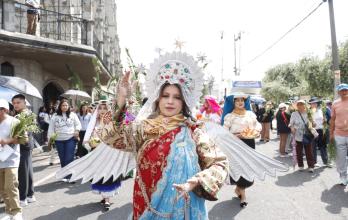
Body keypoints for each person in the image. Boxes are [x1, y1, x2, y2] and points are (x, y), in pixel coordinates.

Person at [98, 53, 229, 219]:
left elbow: (220, 163)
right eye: (165, 96)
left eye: (177, 97)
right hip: (146, 206)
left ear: (184, 102)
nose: (170, 101)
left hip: (184, 207)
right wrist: (121, 98)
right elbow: (111, 137)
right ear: (157, 99)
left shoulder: (193, 131)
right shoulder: (143, 129)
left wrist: (197, 181)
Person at [56, 100, 135, 211]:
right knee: (100, 175)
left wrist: (130, 106)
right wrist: (90, 143)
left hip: (110, 154)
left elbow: (130, 119)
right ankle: (105, 196)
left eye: (105, 108)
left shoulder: (113, 121)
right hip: (96, 152)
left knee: (109, 175)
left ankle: (107, 199)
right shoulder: (94, 122)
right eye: (100, 108)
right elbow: (87, 138)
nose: (102, 111)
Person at [221, 93, 261, 207]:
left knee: (247, 168)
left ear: (245, 102)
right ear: (233, 103)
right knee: (240, 168)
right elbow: (224, 132)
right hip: (236, 145)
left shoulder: (250, 114)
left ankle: (238, 189)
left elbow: (257, 125)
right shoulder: (229, 116)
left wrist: (257, 131)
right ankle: (243, 196)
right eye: (237, 100)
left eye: (242, 100)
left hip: (249, 143)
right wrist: (235, 136)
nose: (240, 102)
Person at [0, 99, 23, 220]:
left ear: (4, 110)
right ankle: (9, 212)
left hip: (11, 158)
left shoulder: (15, 122)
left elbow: (22, 139)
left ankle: (17, 212)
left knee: (10, 186)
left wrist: (7, 141)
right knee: (2, 189)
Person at [48, 99, 81, 182]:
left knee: (69, 158)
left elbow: (78, 124)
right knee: (62, 158)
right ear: (60, 106)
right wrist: (50, 138)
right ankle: (65, 175)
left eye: (66, 105)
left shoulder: (72, 115)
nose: (65, 107)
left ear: (68, 106)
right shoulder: (55, 116)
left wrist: (77, 130)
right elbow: (51, 128)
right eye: (63, 105)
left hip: (70, 139)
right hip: (58, 140)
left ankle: (71, 176)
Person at [11, 94, 36, 207]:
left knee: (22, 172)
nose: (15, 105)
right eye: (14, 103)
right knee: (27, 170)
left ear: (24, 103)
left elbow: (26, 132)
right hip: (26, 145)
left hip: (23, 145)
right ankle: (30, 195)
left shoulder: (25, 114)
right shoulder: (22, 114)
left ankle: (23, 197)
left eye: (18, 102)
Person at [289, 100, 315, 172]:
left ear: (305, 105)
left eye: (302, 104)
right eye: (299, 105)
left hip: (307, 134)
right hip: (298, 135)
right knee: (299, 151)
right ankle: (300, 166)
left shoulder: (309, 113)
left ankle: (311, 166)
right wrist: (292, 128)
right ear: (297, 106)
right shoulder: (294, 114)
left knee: (309, 151)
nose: (300, 106)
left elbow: (313, 124)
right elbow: (291, 123)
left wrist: (313, 123)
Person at [330, 83, 348, 185]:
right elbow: (332, 120)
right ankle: (343, 176)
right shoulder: (335, 103)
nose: (344, 92)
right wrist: (331, 134)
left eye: (346, 90)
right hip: (339, 135)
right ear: (338, 92)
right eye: (342, 90)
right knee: (340, 158)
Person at [309, 97, 330, 167]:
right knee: (313, 147)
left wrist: (325, 120)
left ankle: (326, 161)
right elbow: (307, 122)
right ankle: (314, 162)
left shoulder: (321, 110)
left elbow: (326, 119)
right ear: (310, 104)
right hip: (313, 131)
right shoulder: (309, 112)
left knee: (323, 146)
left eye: (315, 103)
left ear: (317, 103)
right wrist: (311, 123)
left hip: (321, 130)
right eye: (312, 103)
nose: (313, 104)